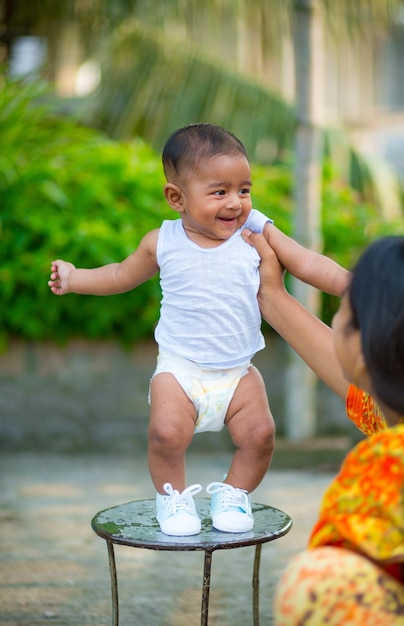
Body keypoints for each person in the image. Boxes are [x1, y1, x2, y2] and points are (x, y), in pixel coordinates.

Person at [48, 123, 349, 537]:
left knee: (261, 436)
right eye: (219, 191)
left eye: (243, 190)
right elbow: (119, 275)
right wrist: (75, 277)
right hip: (180, 370)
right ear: (177, 198)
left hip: (239, 372)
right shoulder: (163, 241)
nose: (235, 203)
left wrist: (357, 285)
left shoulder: (255, 230)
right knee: (165, 434)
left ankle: (234, 493)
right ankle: (172, 498)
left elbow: (306, 262)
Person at [243, 229, 404, 625]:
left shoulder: (393, 458)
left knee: (319, 582)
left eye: (345, 308)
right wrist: (271, 294)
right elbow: (367, 391)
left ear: (366, 341)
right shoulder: (399, 425)